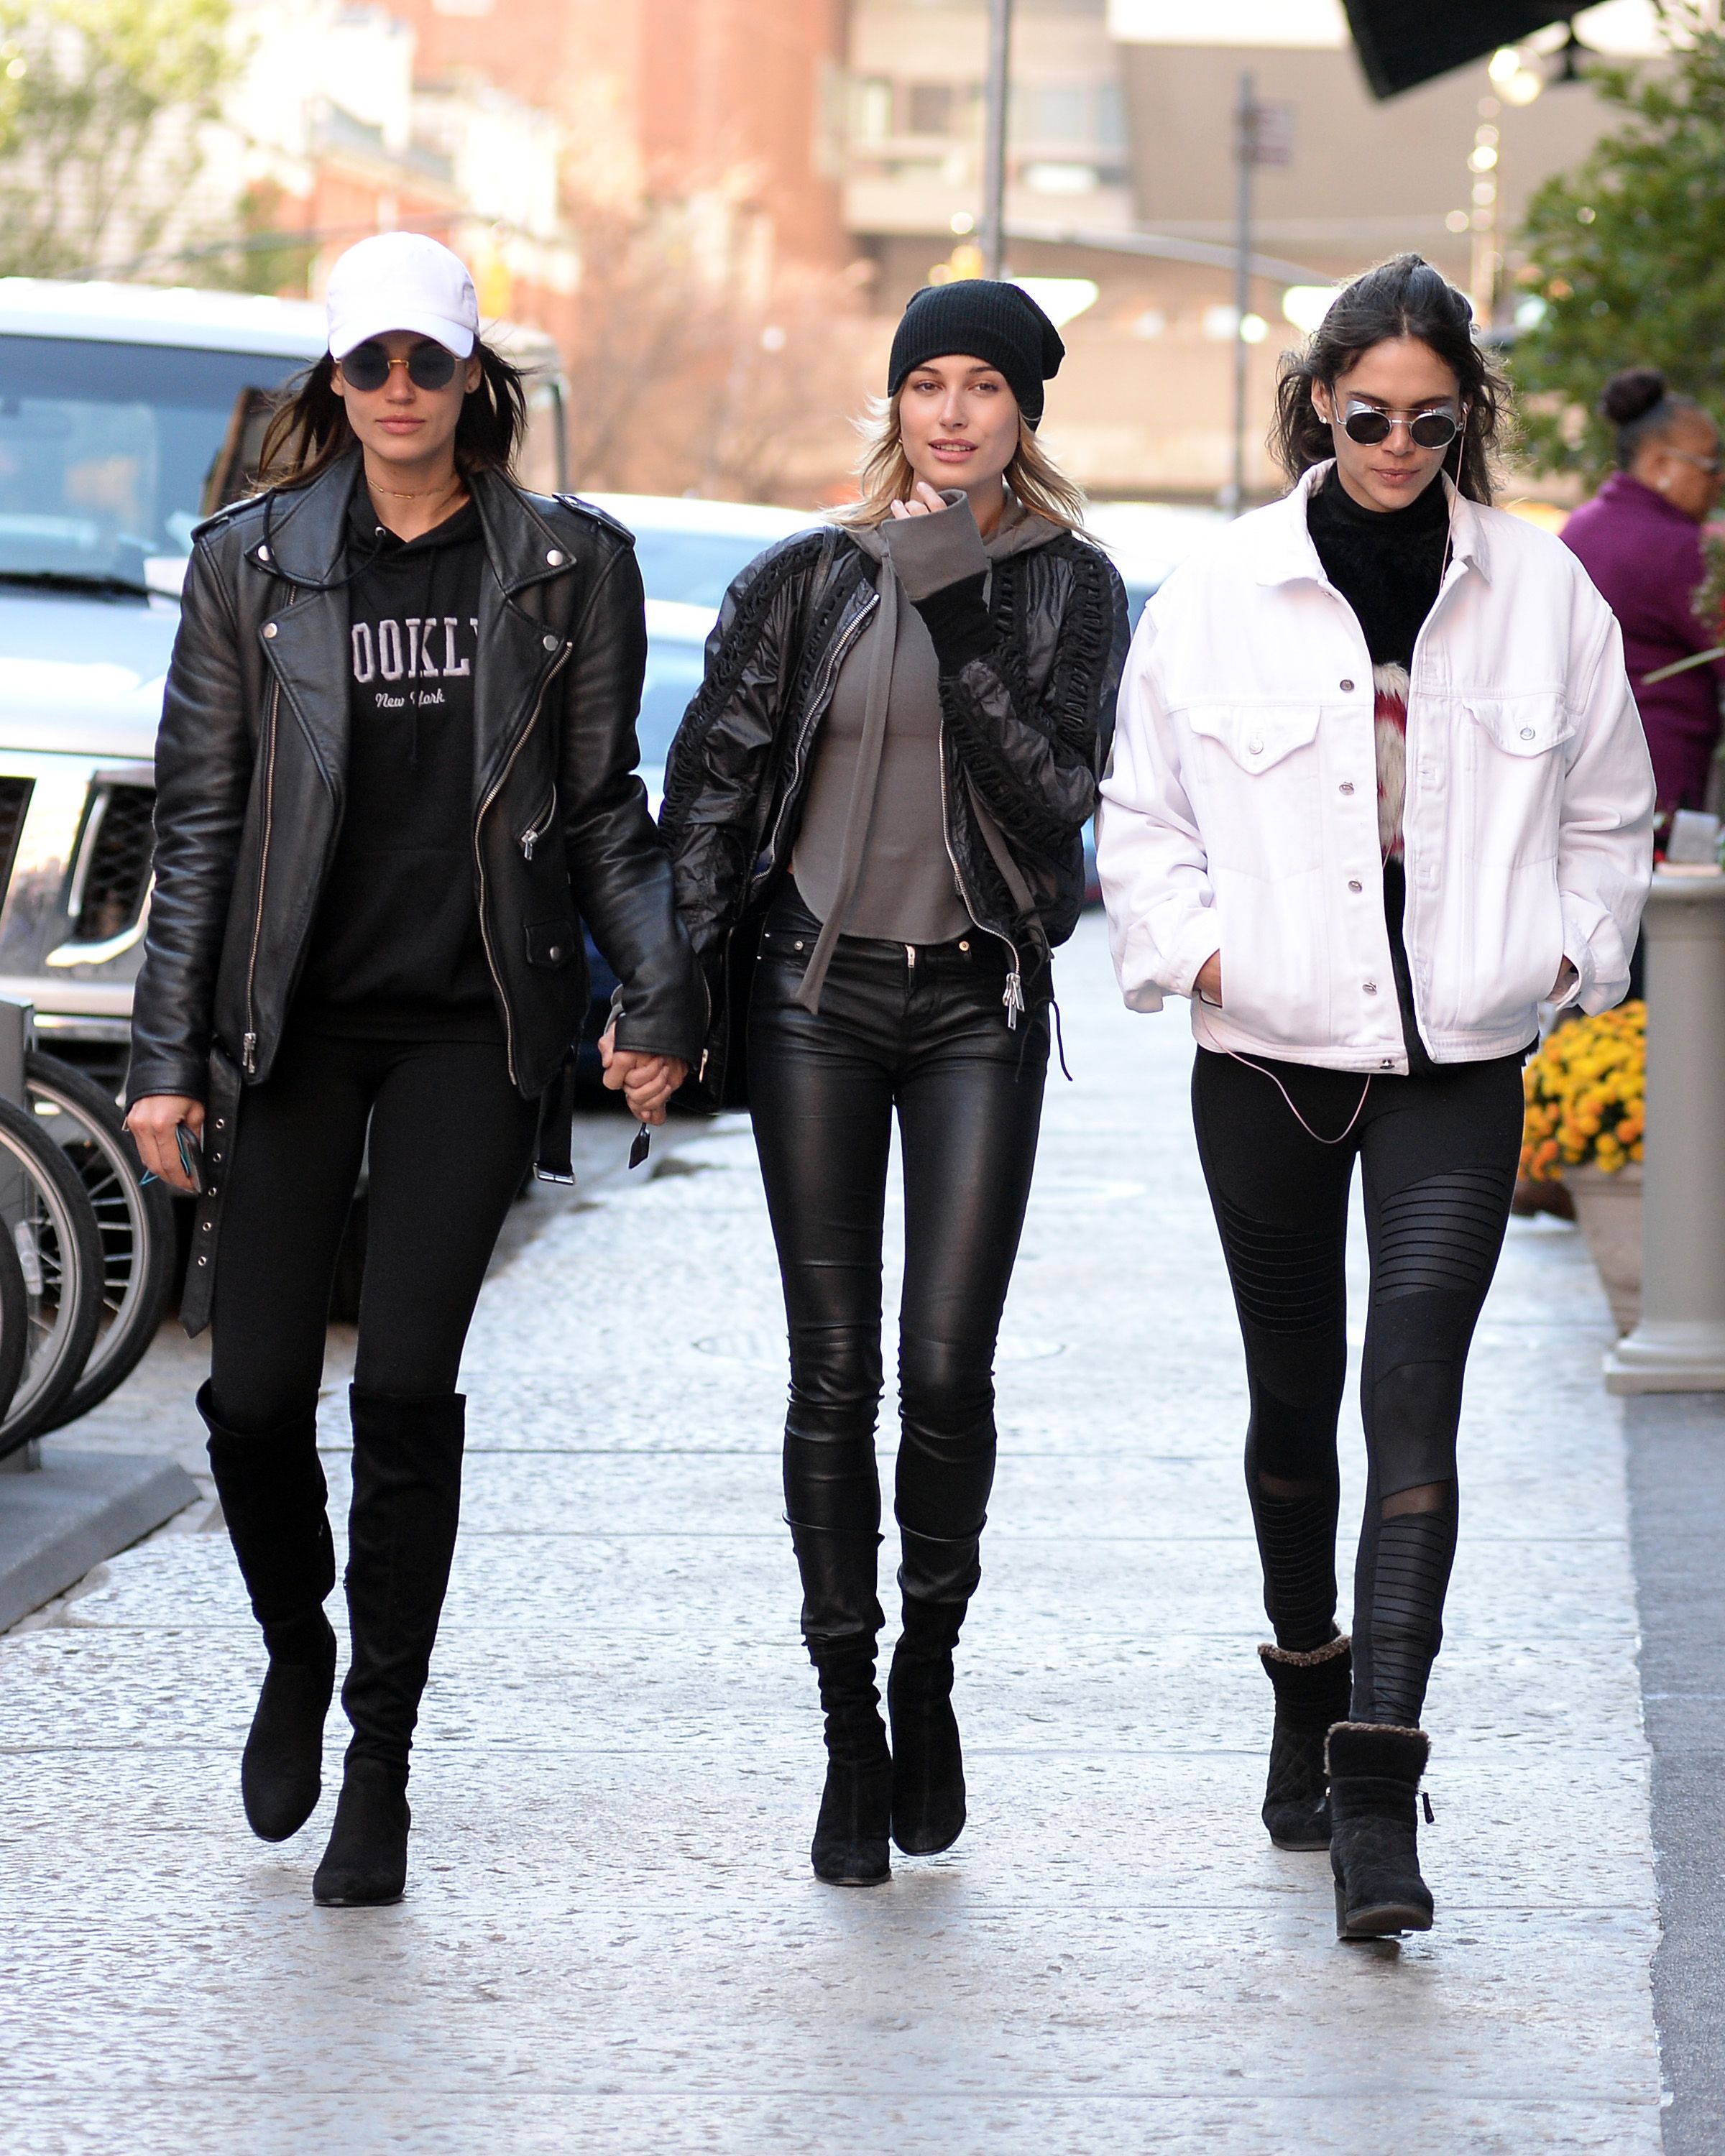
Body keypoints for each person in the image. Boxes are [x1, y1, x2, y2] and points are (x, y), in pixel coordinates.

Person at [124, 232, 703, 1907]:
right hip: (291, 1028)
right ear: (334, 378)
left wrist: (658, 992)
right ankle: (298, 1644)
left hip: (469, 1024)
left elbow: (601, 810)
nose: (397, 389)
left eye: (425, 362)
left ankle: (378, 1752)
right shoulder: (249, 564)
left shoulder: (566, 566)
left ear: (470, 378)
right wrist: (164, 1059)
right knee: (249, 1399)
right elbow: (202, 822)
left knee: (401, 1393)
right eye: (369, 361)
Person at [1097, 254, 1652, 1940]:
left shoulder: (1541, 590)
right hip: (1267, 1058)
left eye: (1429, 419)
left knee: (1412, 1394)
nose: (1398, 446)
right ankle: (1303, 1673)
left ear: (1464, 416)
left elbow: (1607, 812)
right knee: (1292, 1403)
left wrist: (1562, 957)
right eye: (1366, 417)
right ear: (1318, 409)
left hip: (1455, 1063)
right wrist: (1208, 959)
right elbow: (1142, 818)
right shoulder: (1219, 593)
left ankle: (1373, 1777)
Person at [660, 280, 1128, 1886]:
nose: (952, 412)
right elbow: (712, 790)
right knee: (833, 1371)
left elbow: (1056, 798)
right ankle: (849, 1724)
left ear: (1024, 413)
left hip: (977, 1004)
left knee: (948, 1369)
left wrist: (960, 609)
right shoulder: (804, 580)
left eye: (983, 386)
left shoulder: (1070, 585)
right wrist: (670, 996)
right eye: (927, 383)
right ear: (896, 403)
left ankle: (929, 1666)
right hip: (815, 999)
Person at [1562, 367, 1724, 822]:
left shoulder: (1581, 526)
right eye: (1711, 466)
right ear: (1660, 465)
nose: (1719, 480)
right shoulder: (1682, 550)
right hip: (1658, 784)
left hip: (1576, 774)